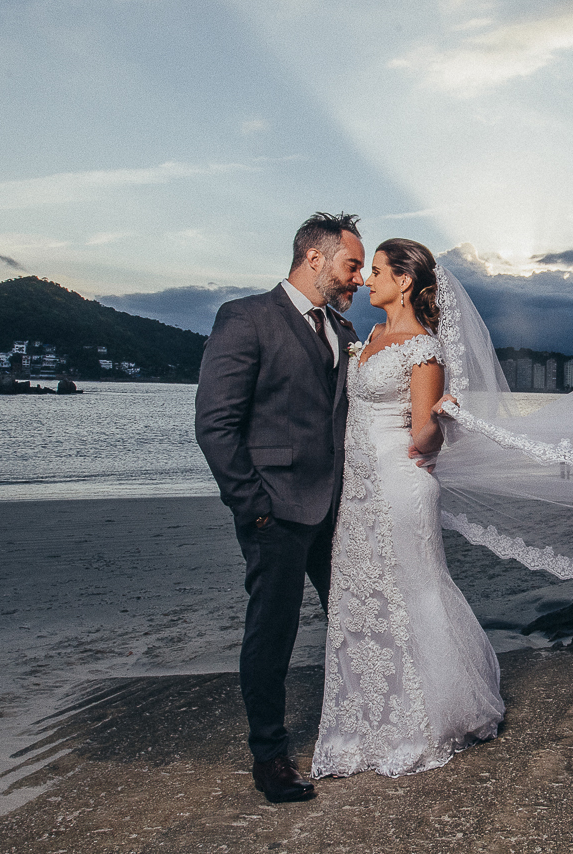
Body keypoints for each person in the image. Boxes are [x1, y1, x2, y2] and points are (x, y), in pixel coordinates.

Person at [311, 238, 504, 778]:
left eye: (375, 272)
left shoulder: (424, 348)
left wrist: (443, 419)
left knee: (412, 588)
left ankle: (427, 718)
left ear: (404, 282)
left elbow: (423, 440)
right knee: (361, 594)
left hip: (401, 483)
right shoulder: (367, 337)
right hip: (358, 488)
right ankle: (368, 717)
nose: (365, 281)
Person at [195, 212, 364, 803]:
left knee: (358, 618)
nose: (359, 279)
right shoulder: (246, 318)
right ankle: (269, 757)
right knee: (274, 631)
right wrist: (254, 506)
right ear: (314, 259)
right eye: (351, 265)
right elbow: (216, 424)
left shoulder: (342, 332)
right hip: (277, 511)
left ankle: (368, 726)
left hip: (340, 508)